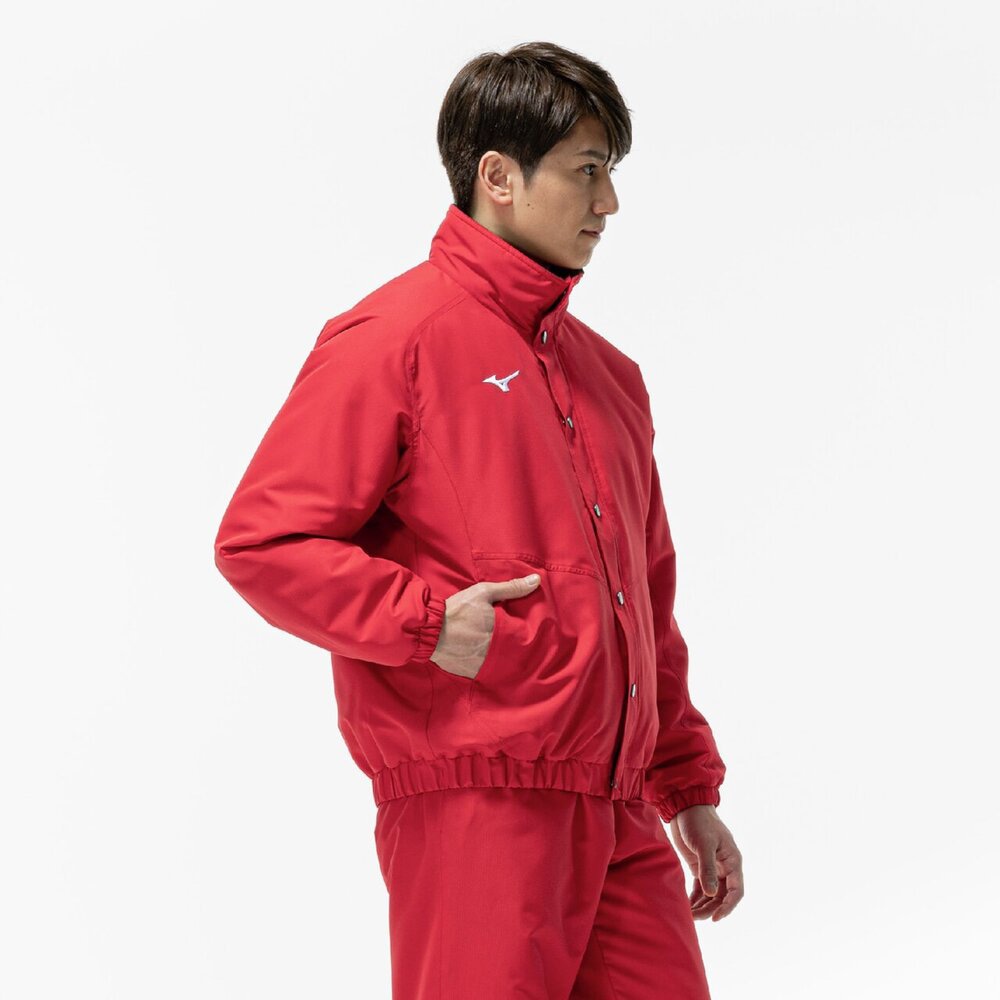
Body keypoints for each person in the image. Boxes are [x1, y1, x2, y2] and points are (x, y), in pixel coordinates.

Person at [214, 39, 744, 999]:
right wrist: (425, 623)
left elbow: (647, 605)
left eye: (609, 174)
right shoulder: (394, 340)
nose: (609, 203)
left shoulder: (610, 378)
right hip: (476, 801)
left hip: (619, 807)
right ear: (498, 177)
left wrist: (686, 786)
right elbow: (264, 541)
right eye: (587, 172)